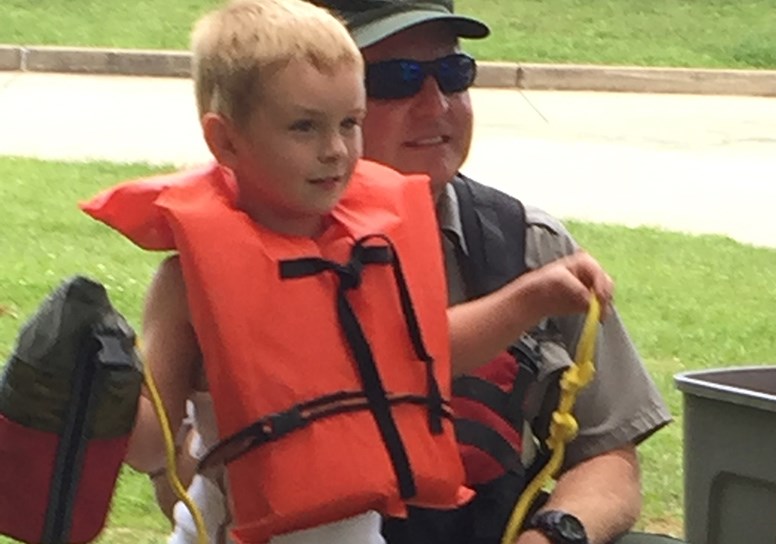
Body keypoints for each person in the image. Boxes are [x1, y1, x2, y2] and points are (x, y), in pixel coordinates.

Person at [84, 0, 611, 541]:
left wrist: (532, 297)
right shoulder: (187, 281)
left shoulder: (373, 248)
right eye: (304, 127)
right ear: (226, 141)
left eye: (350, 123)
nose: (335, 151)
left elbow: (427, 354)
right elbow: (152, 448)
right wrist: (100, 389)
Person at [307, 2, 676, 543]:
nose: (436, 107)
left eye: (453, 75)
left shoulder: (531, 244)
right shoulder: (274, 261)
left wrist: (552, 535)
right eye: (395, 80)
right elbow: (190, 480)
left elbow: (609, 455)